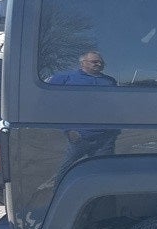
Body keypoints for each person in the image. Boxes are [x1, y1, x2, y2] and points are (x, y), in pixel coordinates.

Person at [44, 51, 119, 188]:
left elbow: (116, 107)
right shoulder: (65, 79)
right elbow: (54, 104)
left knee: (103, 170)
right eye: (94, 61)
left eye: (101, 62)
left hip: (105, 137)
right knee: (66, 168)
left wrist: (115, 131)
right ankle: (58, 191)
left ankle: (99, 195)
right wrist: (67, 130)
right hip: (80, 136)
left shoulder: (110, 81)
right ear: (82, 63)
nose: (99, 64)